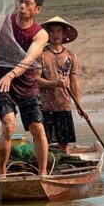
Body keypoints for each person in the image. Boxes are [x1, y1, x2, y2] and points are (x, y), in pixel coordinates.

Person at [0, 0, 50, 178]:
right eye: (21, 2)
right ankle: (1, 172)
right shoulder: (6, 22)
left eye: (28, 3)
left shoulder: (40, 34)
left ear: (37, 9)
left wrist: (12, 74)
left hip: (26, 84)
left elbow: (28, 59)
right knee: (8, 125)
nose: (22, 6)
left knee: (37, 128)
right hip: (2, 82)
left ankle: (42, 174)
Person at [37, 16, 82, 154]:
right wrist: (54, 83)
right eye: (52, 31)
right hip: (45, 106)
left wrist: (79, 106)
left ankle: (64, 163)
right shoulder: (41, 54)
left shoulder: (71, 56)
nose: (55, 34)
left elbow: (74, 82)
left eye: (58, 31)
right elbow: (35, 80)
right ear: (48, 34)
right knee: (44, 141)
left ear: (64, 34)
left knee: (64, 142)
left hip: (64, 105)